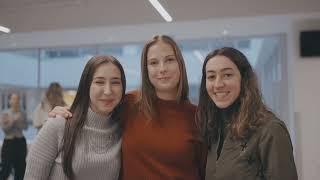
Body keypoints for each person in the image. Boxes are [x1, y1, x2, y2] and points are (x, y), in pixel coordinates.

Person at [49, 35, 206, 179]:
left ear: (180, 64)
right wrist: (68, 113)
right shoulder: (128, 104)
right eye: (153, 62)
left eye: (169, 60)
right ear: (146, 69)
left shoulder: (197, 116)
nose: (162, 68)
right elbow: (94, 113)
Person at [196, 47, 298, 180]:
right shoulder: (213, 130)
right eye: (211, 76)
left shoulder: (270, 129)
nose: (218, 84)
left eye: (227, 75)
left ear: (244, 79)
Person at [24, 55, 126, 180]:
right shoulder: (58, 125)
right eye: (99, 82)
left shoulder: (123, 129)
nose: (108, 91)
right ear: (86, 85)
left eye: (115, 82)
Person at [0, 93, 28, 180]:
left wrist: (13, 121)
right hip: (9, 142)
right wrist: (14, 120)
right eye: (13, 99)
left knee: (21, 170)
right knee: (5, 169)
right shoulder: (5, 113)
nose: (15, 101)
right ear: (9, 101)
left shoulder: (22, 113)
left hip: (20, 142)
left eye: (17, 99)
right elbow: (5, 128)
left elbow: (25, 127)